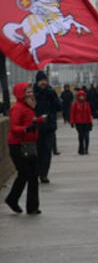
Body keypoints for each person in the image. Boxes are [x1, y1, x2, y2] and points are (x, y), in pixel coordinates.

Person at [5, 83, 44, 215]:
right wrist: (26, 129)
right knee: (25, 173)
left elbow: (29, 122)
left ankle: (32, 207)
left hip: (29, 144)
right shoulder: (17, 108)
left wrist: (38, 121)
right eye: (28, 92)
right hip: (18, 145)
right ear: (21, 94)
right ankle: (12, 199)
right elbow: (14, 128)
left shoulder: (29, 107)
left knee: (33, 175)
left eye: (31, 92)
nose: (31, 94)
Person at [33, 71, 61, 184]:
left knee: (47, 152)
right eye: (41, 81)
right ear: (37, 81)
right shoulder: (33, 93)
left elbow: (59, 107)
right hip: (36, 127)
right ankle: (37, 172)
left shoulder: (51, 92)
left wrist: (53, 96)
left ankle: (44, 174)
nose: (43, 83)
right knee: (37, 152)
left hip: (49, 127)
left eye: (44, 80)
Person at [70, 90, 93, 155]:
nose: (82, 97)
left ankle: (86, 149)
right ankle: (81, 149)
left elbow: (89, 114)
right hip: (79, 123)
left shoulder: (87, 104)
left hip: (86, 122)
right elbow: (72, 114)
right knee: (81, 136)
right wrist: (72, 122)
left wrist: (90, 122)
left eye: (83, 96)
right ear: (78, 97)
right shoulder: (75, 105)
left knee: (87, 136)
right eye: (80, 96)